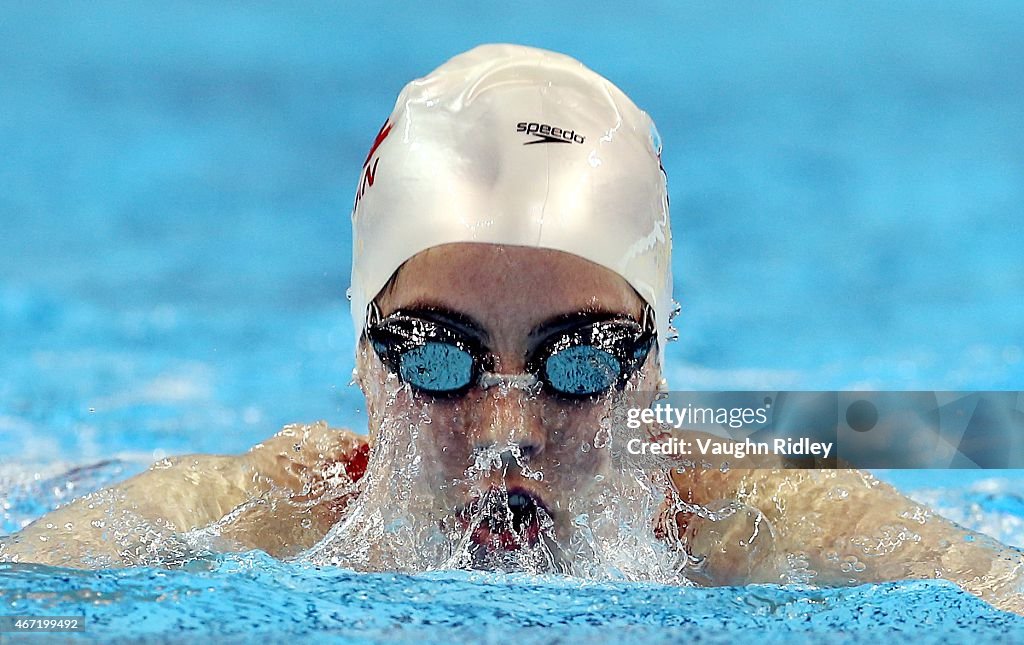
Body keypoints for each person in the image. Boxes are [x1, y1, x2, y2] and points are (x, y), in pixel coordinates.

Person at [3, 44, 1023, 613]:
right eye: (439, 359)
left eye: (576, 363)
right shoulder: (268, 511)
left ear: (653, 370)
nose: (505, 429)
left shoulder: (753, 515)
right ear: (364, 359)